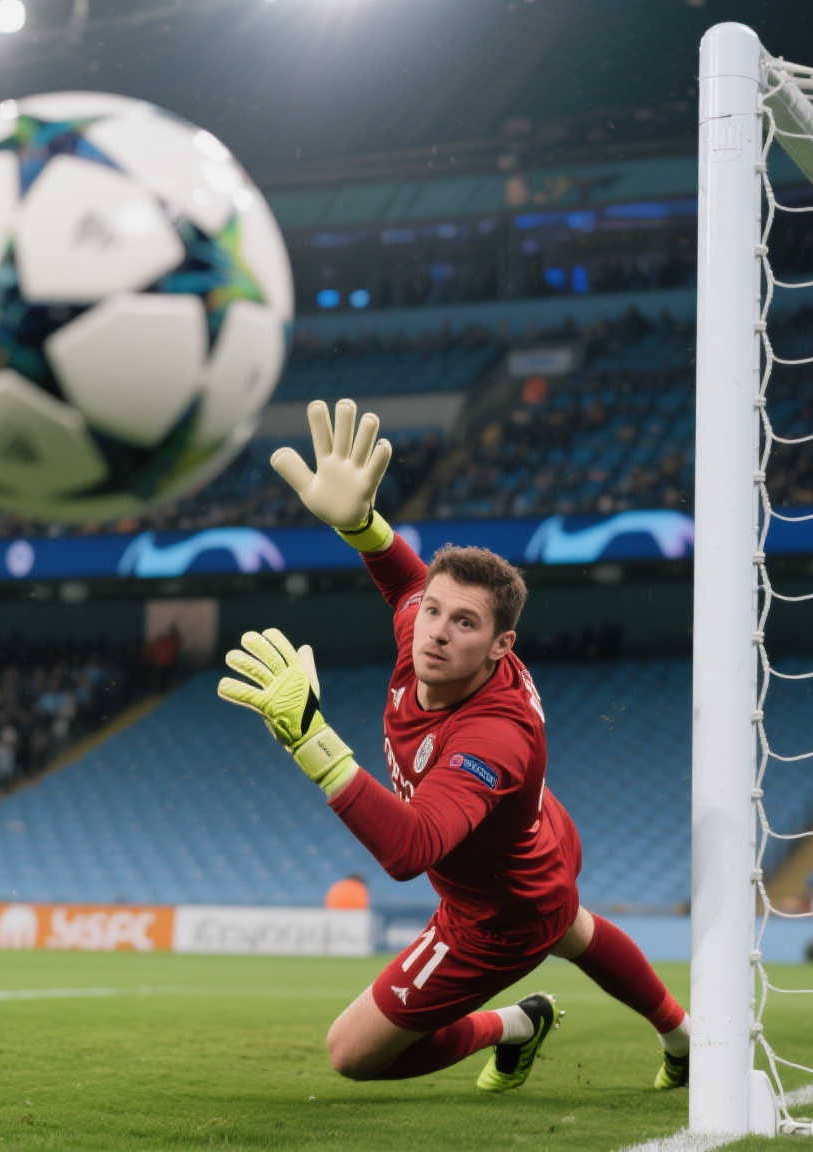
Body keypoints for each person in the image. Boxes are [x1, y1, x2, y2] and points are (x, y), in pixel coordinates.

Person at [217, 398, 690, 1093]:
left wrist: (310, 739)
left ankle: (514, 1025)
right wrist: (360, 524)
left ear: (502, 645)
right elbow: (409, 582)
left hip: (496, 911)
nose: (436, 630)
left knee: (352, 1054)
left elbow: (411, 850)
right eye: (435, 612)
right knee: (571, 926)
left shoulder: (492, 738)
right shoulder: (427, 631)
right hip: (537, 845)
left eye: (464, 623)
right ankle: (684, 1036)